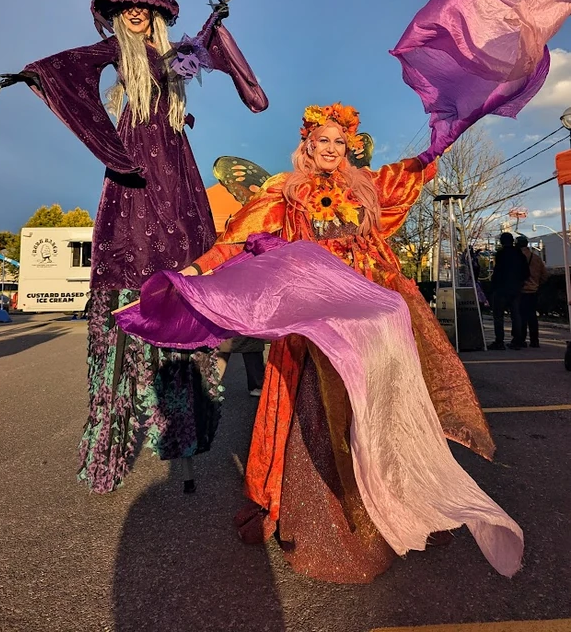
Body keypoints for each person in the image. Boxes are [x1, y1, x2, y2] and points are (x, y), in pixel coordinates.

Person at [173, 103, 508, 582]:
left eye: (339, 142)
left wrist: (448, 131)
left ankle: (397, 500)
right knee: (322, 407)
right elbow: (237, 237)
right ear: (307, 145)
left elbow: (411, 171)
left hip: (373, 308)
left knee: (383, 406)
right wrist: (194, 270)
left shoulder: (366, 185)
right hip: (320, 313)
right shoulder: (286, 191)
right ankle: (333, 517)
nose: (331, 149)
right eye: (322, 141)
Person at [0, 0, 268, 494]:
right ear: (118, 15)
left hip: (175, 166)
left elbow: (204, 49)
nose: (136, 13)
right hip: (135, 164)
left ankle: (183, 433)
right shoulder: (117, 50)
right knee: (130, 260)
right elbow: (69, 64)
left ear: (154, 15)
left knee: (181, 264)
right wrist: (30, 75)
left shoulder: (174, 54)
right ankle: (110, 442)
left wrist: (216, 24)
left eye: (143, 7)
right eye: (128, 7)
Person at [488, 232, 530, 351]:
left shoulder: (501, 254)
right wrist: (519, 282)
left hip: (501, 289)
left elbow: (497, 272)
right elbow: (526, 273)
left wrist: (493, 286)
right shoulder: (519, 254)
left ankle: (499, 341)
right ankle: (517, 340)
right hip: (515, 289)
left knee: (498, 316)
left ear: (502, 242)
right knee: (516, 315)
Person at [516, 235, 548, 348]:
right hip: (533, 290)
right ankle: (534, 340)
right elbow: (544, 275)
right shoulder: (536, 258)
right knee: (532, 316)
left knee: (521, 316)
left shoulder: (517, 258)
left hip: (520, 291)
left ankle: (521, 339)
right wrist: (537, 283)